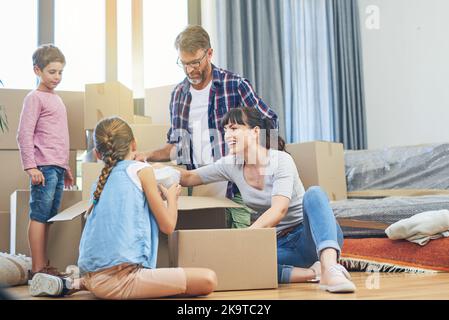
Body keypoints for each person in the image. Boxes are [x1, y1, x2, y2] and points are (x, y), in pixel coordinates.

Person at [29, 117, 217, 299]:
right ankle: (85, 284)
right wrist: (172, 198)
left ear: (97, 154)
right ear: (134, 144)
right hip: (123, 280)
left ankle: (77, 284)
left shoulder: (98, 183)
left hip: (94, 273)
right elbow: (168, 226)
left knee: (103, 279)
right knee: (209, 279)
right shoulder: (142, 170)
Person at [177, 107, 356, 293]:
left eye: (234, 128)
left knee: (315, 193)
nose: (227, 135)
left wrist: (244, 238)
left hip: (310, 237)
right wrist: (152, 169)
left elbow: (279, 210)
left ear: (255, 132)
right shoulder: (231, 164)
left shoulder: (281, 160)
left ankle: (330, 268)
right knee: (237, 261)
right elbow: (189, 178)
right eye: (225, 130)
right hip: (280, 245)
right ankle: (313, 273)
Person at [135, 25, 278, 229]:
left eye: (195, 62)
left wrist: (258, 168)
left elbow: (270, 122)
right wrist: (145, 156)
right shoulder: (178, 95)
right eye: (183, 63)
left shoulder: (235, 85)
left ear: (209, 53)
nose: (189, 70)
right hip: (198, 185)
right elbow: (176, 148)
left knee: (241, 250)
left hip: (235, 186)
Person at [17, 44, 74, 280]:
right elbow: (24, 133)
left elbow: (59, 137)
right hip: (43, 167)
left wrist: (67, 167)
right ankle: (37, 268)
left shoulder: (56, 99)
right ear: (37, 71)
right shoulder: (34, 98)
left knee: (49, 215)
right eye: (52, 72)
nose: (57, 77)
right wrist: (31, 166)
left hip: (57, 167)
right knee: (39, 215)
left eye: (60, 72)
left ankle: (44, 264)